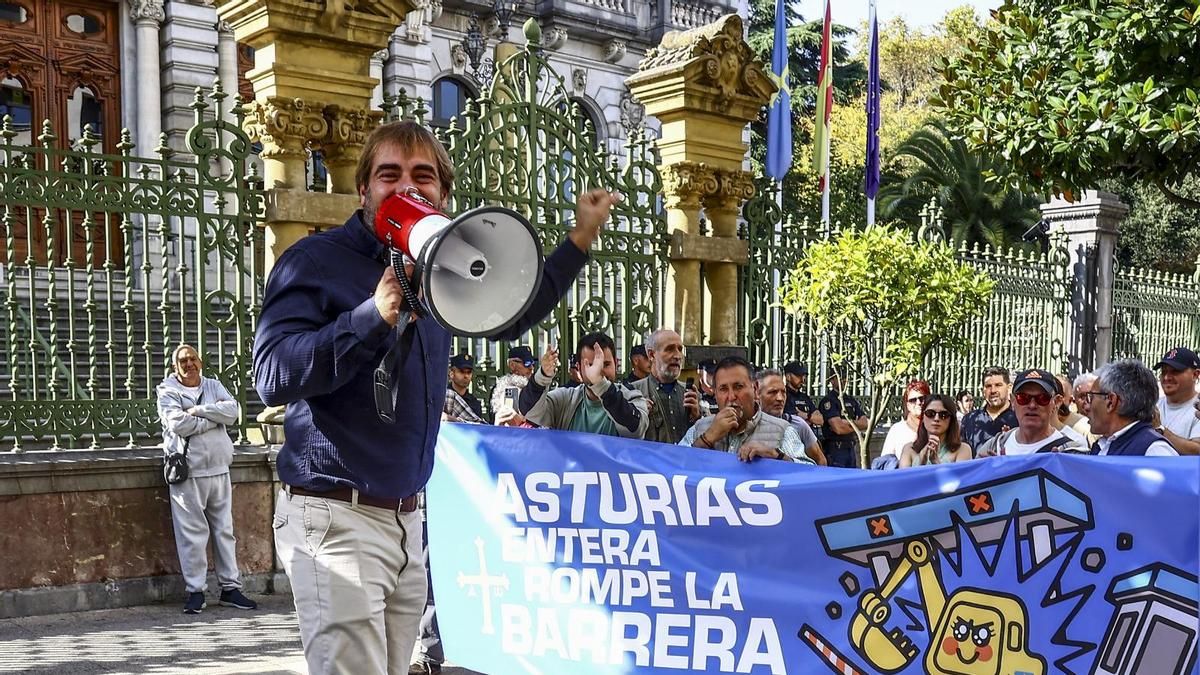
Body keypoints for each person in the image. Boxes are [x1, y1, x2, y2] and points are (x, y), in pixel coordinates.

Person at [252, 120, 618, 674]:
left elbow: (509, 309)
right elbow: (272, 374)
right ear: (363, 191)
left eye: (423, 176)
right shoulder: (315, 262)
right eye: (388, 174)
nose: (407, 186)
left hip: (407, 521)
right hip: (334, 515)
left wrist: (580, 239)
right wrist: (367, 318)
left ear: (444, 196)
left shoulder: (440, 268)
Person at [157, 344, 257, 615]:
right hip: (188, 472)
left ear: (200, 362)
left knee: (225, 531)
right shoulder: (167, 391)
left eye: (192, 359)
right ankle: (195, 591)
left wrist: (199, 412)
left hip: (219, 468)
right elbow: (178, 424)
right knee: (192, 534)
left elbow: (233, 412)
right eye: (182, 361)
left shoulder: (213, 385)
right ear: (174, 367)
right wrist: (215, 418)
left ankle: (230, 588)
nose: (188, 364)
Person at [679, 357, 814, 464]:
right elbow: (673, 467)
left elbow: (808, 474)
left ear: (755, 389)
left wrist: (776, 455)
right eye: (723, 389)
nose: (731, 397)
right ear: (715, 394)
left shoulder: (782, 430)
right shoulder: (700, 428)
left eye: (738, 387)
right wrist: (707, 439)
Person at [519, 332, 649, 438]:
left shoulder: (632, 397)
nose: (598, 371)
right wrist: (542, 376)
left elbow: (635, 430)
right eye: (591, 365)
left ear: (616, 363)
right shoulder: (566, 398)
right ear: (579, 368)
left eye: (606, 364)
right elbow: (531, 413)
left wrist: (600, 384)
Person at [976, 369, 1086, 456]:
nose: (1032, 405)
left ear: (1056, 402)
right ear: (1013, 401)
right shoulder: (995, 446)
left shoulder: (1070, 451)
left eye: (1042, 398)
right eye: (1023, 398)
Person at [1087, 359, 1178, 456]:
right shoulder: (1103, 444)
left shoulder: (1155, 451)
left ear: (1111, 402)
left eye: (1091, 397)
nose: (1087, 406)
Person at [630, 329, 702, 444]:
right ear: (651, 354)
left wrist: (697, 417)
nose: (678, 356)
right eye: (669, 349)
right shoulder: (633, 392)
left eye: (680, 349)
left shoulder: (692, 394)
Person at [755, 368, 826, 465]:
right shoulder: (742, 427)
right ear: (757, 394)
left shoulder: (796, 424)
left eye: (783, 392)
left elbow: (820, 459)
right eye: (772, 392)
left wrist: (778, 456)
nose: (780, 398)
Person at [899, 394, 972, 466]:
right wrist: (921, 462)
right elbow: (904, 477)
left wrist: (936, 462)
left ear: (951, 420)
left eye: (943, 415)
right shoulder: (908, 449)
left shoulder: (963, 449)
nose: (936, 419)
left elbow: (959, 478)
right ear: (923, 417)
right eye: (930, 413)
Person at [961, 366, 1019, 454]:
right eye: (988, 386)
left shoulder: (1019, 419)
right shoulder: (970, 419)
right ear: (982, 390)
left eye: (998, 385)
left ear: (1009, 388)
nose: (993, 390)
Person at [1153, 347, 1200, 455]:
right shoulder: (1155, 405)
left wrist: (1160, 429)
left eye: (1175, 371)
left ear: (1195, 375)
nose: (1166, 377)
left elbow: (1197, 451)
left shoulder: (1198, 409)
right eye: (1163, 372)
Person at [819, 370, 869, 468]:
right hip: (836, 449)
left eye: (845, 378)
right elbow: (838, 428)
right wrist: (856, 426)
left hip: (851, 447)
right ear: (832, 381)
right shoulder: (829, 401)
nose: (843, 380)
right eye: (840, 378)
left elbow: (865, 423)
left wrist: (847, 423)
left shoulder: (851, 400)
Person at [881, 380, 931, 458]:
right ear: (908, 406)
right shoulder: (897, 429)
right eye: (913, 400)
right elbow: (885, 461)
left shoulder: (937, 426)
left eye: (922, 398)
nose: (918, 402)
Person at [490, 345, 536, 419]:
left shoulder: (534, 387)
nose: (531, 368)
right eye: (527, 363)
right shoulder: (501, 389)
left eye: (532, 363)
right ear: (512, 365)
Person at [443, 353, 484, 423]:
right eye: (462, 372)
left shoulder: (475, 403)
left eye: (469, 372)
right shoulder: (443, 397)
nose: (466, 376)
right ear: (451, 374)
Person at [782, 362, 823, 430]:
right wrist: (810, 419)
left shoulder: (804, 397)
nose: (803, 379)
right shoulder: (783, 395)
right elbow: (793, 421)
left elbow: (820, 420)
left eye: (804, 376)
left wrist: (805, 416)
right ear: (788, 377)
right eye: (799, 376)